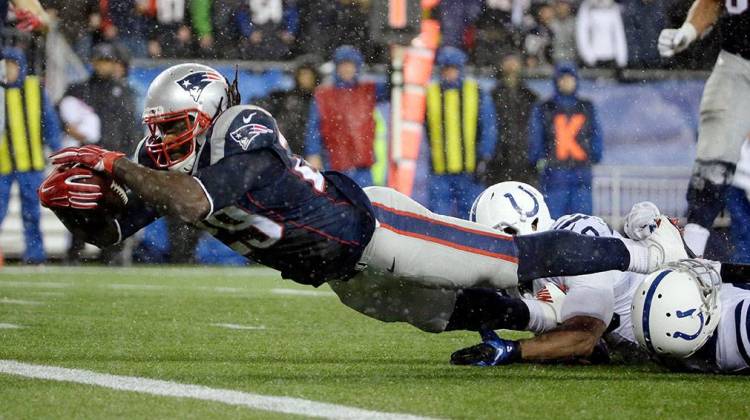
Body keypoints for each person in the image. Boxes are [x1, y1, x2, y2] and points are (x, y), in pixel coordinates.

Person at [39, 64, 686, 313]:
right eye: (158, 131)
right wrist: (74, 210)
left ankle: (648, 252)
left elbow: (190, 201)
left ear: (207, 114)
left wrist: (113, 164)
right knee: (441, 315)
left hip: (374, 228)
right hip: (337, 272)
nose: (164, 141)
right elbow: (112, 233)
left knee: (503, 262)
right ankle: (542, 321)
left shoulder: (244, 126)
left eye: (176, 127)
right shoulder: (163, 160)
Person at [451, 193, 661, 366]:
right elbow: (559, 337)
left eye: (495, 241)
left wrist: (512, 350)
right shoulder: (528, 276)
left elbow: (583, 337)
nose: (492, 253)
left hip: (674, 319)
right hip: (645, 353)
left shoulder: (574, 243)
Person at [657, 0, 750, 257]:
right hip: (737, 61)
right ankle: (689, 261)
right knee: (711, 168)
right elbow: (713, 2)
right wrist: (687, 31)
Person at [58, 42, 140, 264]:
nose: (104, 66)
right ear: (92, 62)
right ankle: (74, 252)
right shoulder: (79, 90)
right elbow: (61, 114)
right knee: (79, 206)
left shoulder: (125, 92)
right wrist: (68, 128)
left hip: (114, 159)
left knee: (113, 208)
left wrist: (128, 158)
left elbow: (132, 128)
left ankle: (111, 255)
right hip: (87, 159)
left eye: (108, 61)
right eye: (100, 60)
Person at [630, 259, 750, 374]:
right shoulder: (744, 326)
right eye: (702, 292)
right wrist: (725, 269)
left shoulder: (676, 347)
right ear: (697, 318)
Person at [0, 47, 60, 264]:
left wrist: (56, 148)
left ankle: (35, 256)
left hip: (31, 162)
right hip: (3, 163)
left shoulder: (34, 89)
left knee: (32, 212)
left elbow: (50, 121)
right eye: (4, 66)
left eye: (11, 66)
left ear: (21, 67)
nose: (8, 70)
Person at [425, 47, 497, 217]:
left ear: (461, 69)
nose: (449, 73)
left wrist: (485, 157)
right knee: (439, 219)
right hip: (440, 170)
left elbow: (488, 127)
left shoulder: (476, 93)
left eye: (453, 68)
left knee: (472, 218)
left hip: (469, 170)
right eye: (446, 68)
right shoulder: (430, 93)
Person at [305, 45, 387, 187]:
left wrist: (394, 58)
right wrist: (313, 153)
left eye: (350, 65)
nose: (347, 69)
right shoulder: (323, 95)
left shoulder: (368, 90)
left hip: (363, 163)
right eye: (342, 65)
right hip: (335, 161)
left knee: (367, 203)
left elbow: (393, 85)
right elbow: (314, 127)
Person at [529, 62, 603, 218]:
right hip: (555, 176)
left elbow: (596, 133)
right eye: (563, 78)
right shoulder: (545, 107)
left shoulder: (586, 107)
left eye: (570, 78)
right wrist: (538, 159)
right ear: (556, 81)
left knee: (582, 222)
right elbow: (536, 136)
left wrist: (596, 154)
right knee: (555, 223)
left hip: (580, 175)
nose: (567, 82)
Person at [486, 54, 538, 187]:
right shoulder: (492, 95)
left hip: (524, 160)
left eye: (514, 61)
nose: (511, 65)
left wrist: (534, 155)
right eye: (507, 61)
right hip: (498, 160)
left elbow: (536, 129)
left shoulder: (530, 96)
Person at [255, 59, 320, 156]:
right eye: (302, 75)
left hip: (312, 152)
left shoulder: (320, 99)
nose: (305, 79)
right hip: (289, 150)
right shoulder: (287, 97)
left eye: (309, 75)